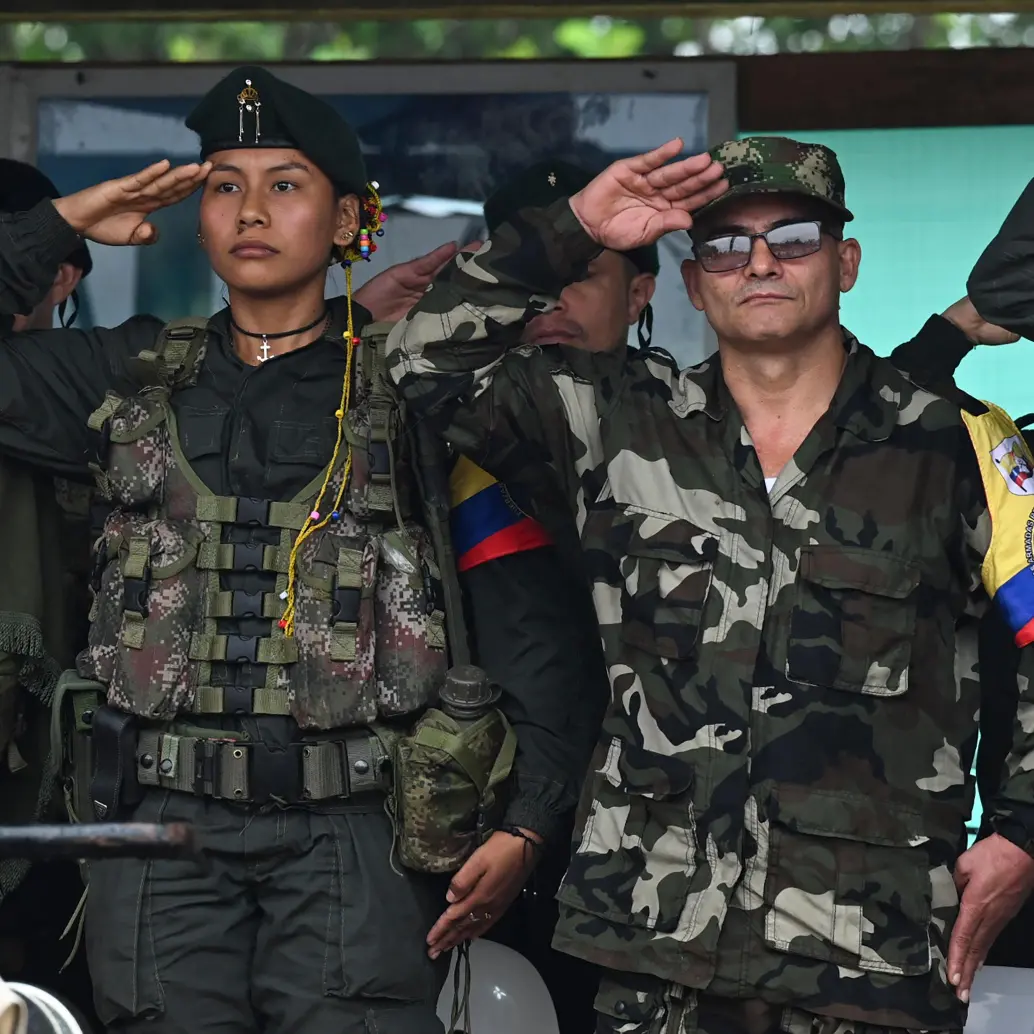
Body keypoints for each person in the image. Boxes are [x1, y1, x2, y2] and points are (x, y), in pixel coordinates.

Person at [387, 135, 1034, 1034]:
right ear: (694, 284)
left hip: (866, 946)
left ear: (845, 262)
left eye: (795, 238)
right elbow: (422, 361)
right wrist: (571, 230)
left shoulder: (957, 445)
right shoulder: (616, 424)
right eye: (727, 246)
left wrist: (1021, 836)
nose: (760, 263)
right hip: (652, 938)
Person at [0, 63, 539, 1034]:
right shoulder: (122, 375)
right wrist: (62, 223)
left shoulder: (409, 387)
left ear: (345, 221)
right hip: (159, 829)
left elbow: (535, 613)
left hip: (351, 830)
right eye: (222, 184)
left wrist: (530, 810)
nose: (249, 209)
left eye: (283, 183)